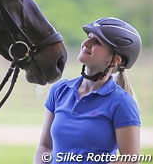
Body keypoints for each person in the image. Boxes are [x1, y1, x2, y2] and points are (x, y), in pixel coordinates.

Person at [34, 17, 142, 164]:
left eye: (97, 41)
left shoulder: (122, 102)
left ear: (115, 60)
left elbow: (129, 160)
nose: (86, 43)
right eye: (89, 37)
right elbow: (45, 147)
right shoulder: (59, 90)